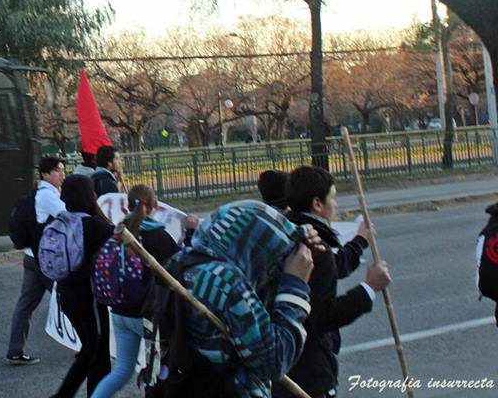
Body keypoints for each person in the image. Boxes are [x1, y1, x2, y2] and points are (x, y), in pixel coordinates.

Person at [171, 200, 318, 397]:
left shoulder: (191, 263)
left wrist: (296, 235)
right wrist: (294, 286)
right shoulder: (228, 283)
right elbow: (275, 361)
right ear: (256, 246)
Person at [272, 166, 392, 398]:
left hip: (278, 364)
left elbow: (335, 268)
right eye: (333, 198)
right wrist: (369, 288)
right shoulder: (317, 248)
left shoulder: (284, 233)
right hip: (308, 369)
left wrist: (359, 241)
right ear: (317, 203)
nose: (336, 205)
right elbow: (321, 316)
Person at [91, 184, 180, 398]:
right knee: (160, 371)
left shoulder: (118, 232)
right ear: (155, 205)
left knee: (122, 370)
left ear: (127, 205)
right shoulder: (158, 236)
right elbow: (178, 270)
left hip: (119, 312)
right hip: (149, 316)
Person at [50, 174, 114, 398]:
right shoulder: (95, 226)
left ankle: (63, 394)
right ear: (89, 195)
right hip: (89, 297)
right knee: (99, 353)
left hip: (64, 293)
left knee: (89, 349)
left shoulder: (59, 222)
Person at [6, 156, 67, 365]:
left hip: (32, 257)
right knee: (69, 299)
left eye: (62, 169)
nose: (62, 174)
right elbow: (68, 216)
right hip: (46, 261)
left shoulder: (41, 194)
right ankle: (89, 344)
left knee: (25, 305)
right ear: (45, 174)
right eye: (58, 170)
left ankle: (15, 350)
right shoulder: (47, 196)